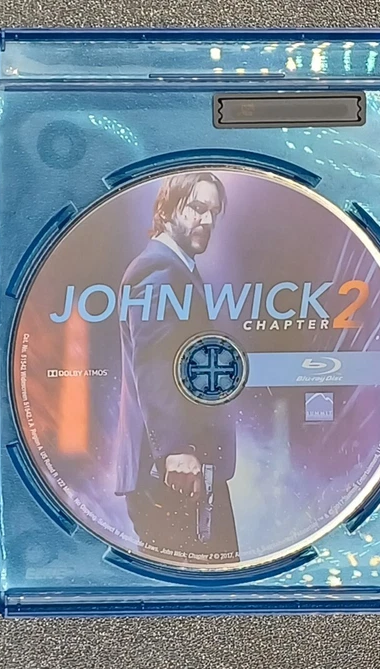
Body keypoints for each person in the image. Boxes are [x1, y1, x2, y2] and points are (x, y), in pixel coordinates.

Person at [114, 171, 239, 565]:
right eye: (198, 208)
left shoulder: (177, 269)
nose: (208, 220)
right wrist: (175, 450)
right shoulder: (160, 272)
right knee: (208, 587)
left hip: (186, 470)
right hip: (176, 472)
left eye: (214, 212)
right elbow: (154, 364)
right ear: (167, 209)